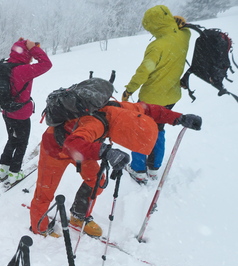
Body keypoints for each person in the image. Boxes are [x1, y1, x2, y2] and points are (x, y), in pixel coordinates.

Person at [30, 100, 202, 237]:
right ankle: (40, 227)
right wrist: (104, 150)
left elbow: (148, 109)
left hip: (82, 148)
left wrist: (178, 118)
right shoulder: (96, 124)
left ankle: (79, 215)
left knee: (97, 180)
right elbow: (71, 144)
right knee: (45, 191)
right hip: (55, 148)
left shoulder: (124, 111)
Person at [122, 5, 191, 185]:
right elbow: (186, 29)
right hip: (172, 96)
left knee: (141, 130)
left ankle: (138, 169)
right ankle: (154, 167)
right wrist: (178, 24)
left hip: (151, 99)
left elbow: (144, 71)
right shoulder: (184, 36)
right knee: (159, 129)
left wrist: (129, 89)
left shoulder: (157, 46)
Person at [0, 38, 52, 184]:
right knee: (22, 142)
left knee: (12, 139)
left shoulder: (6, 65)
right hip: (20, 114)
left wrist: (24, 45)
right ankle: (14, 172)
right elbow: (47, 64)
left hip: (6, 112)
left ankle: (4, 169)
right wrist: (34, 49)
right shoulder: (23, 70)